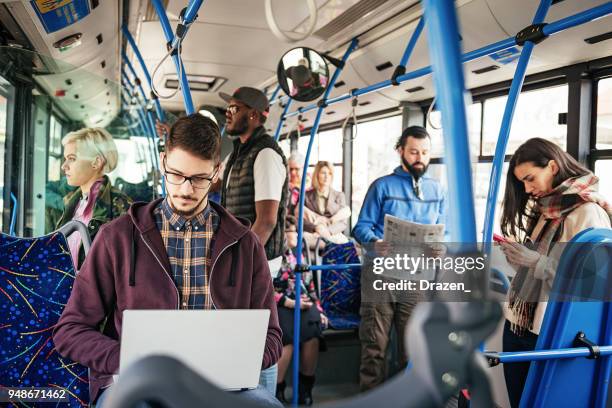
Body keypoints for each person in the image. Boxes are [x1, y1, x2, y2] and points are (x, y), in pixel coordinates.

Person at [53, 114, 283, 407]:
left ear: (216, 172)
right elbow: (70, 331)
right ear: (163, 162)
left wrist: (235, 361)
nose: (185, 189)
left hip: (222, 386)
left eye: (199, 178)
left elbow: (272, 337)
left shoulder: (245, 244)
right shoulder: (118, 238)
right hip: (141, 383)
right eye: (176, 174)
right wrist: (129, 358)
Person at [498, 138, 611, 408]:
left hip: (549, 331)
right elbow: (541, 269)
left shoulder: (588, 213)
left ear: (551, 166)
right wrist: (521, 260)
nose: (527, 189)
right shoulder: (548, 210)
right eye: (522, 183)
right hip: (518, 323)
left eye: (530, 178)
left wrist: (536, 262)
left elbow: (593, 282)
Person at [352, 125, 447, 391]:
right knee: (375, 347)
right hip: (381, 273)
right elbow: (361, 227)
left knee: (413, 349)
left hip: (417, 276)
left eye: (425, 153)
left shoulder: (437, 191)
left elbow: (446, 231)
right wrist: (374, 242)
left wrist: (441, 248)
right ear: (400, 152)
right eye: (414, 152)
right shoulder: (382, 186)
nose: (420, 158)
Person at [217, 87, 288, 275]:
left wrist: (239, 261)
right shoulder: (239, 150)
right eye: (228, 109)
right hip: (239, 247)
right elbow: (214, 183)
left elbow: (266, 221)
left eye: (234, 109)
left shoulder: (265, 154)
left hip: (257, 257)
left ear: (253, 115)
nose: (228, 113)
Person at [45, 127, 132, 270]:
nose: (63, 166)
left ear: (96, 163)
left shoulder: (121, 207)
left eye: (71, 159)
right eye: (65, 159)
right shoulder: (73, 201)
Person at [273, 241, 328, 405]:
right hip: (279, 303)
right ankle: (277, 390)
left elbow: (309, 285)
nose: (293, 237)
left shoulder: (298, 253)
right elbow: (266, 288)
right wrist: (291, 303)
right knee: (287, 334)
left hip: (303, 301)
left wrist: (318, 308)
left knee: (312, 329)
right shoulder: (270, 252)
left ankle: (305, 389)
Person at [301, 161, 351, 248]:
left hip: (332, 234)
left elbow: (343, 222)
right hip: (312, 235)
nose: (327, 176)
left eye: (330, 173)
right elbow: (300, 220)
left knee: (344, 245)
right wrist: (315, 228)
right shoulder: (306, 195)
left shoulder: (339, 195)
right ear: (317, 175)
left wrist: (328, 231)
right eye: (323, 173)